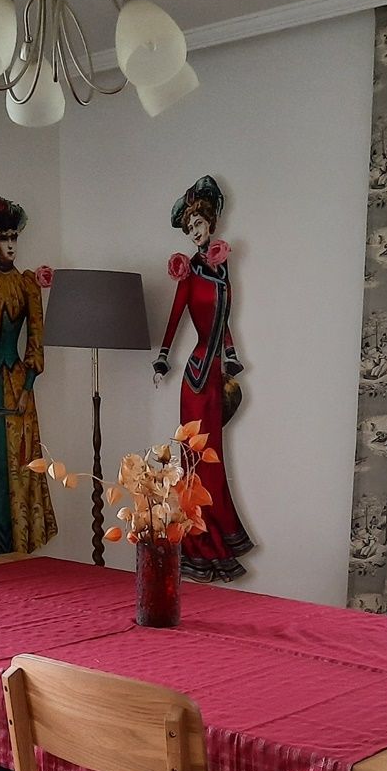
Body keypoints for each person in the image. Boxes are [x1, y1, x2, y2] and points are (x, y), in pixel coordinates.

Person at [154, 174, 254, 581]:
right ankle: (198, 542)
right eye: (190, 227)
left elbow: (222, 322)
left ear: (211, 223)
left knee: (215, 459)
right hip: (194, 377)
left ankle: (220, 534)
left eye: (199, 224)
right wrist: (163, 358)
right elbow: (176, 316)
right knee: (194, 461)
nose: (195, 231)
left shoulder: (221, 268)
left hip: (214, 375)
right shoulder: (189, 271)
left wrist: (232, 355)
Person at [0, 196, 55, 556]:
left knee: (18, 460)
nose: (11, 245)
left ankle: (19, 542)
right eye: (5, 239)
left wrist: (28, 386)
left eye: (14, 238)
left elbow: (36, 337)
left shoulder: (28, 283)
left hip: (16, 382)